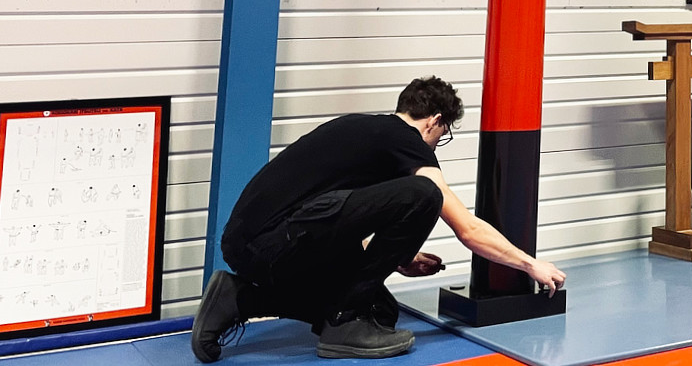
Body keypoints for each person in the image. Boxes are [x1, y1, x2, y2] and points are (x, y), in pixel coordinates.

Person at [191, 77, 566, 361]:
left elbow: (330, 212)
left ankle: (240, 299)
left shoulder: (365, 131)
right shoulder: (405, 140)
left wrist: (397, 256)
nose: (436, 146)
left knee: (381, 311)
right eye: (443, 135)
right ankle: (343, 321)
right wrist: (529, 264)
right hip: (271, 244)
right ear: (435, 122)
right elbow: (466, 228)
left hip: (256, 243)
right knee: (425, 195)